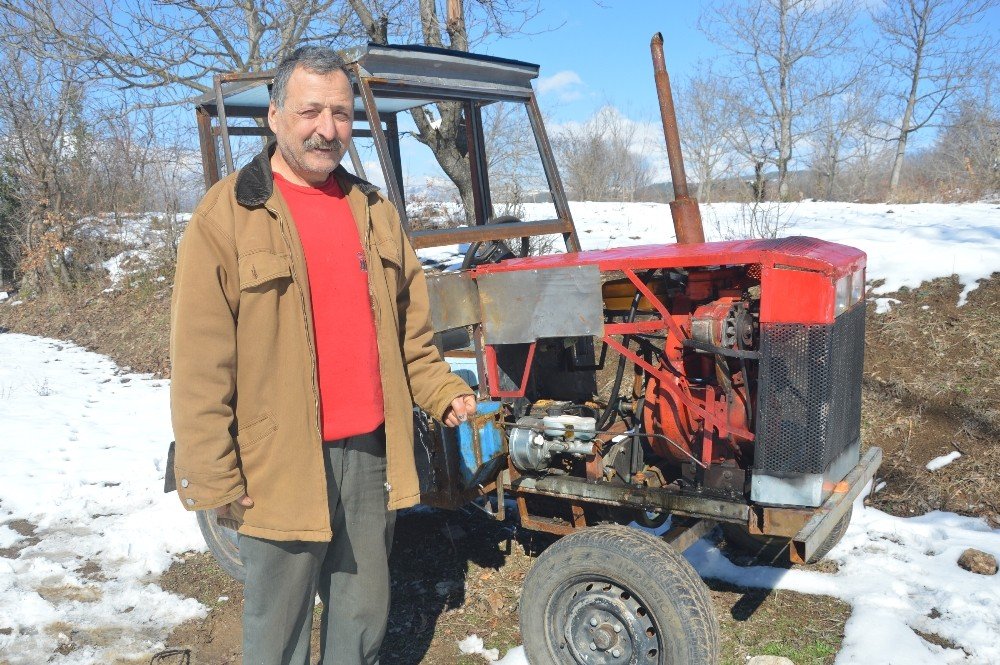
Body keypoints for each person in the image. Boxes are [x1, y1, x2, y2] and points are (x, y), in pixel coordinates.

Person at [169, 45, 476, 665]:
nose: (327, 128)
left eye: (339, 112)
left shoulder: (375, 212)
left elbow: (412, 333)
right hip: (276, 458)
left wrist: (443, 389)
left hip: (368, 454)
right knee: (276, 623)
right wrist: (214, 474)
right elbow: (200, 365)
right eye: (311, 110)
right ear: (276, 116)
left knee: (362, 615)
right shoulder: (226, 216)